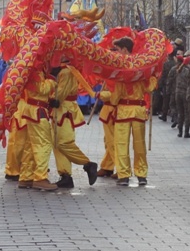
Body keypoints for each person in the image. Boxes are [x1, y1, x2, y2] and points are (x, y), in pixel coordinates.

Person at [98, 37, 157, 186]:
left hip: (123, 111)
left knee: (121, 144)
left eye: (117, 49)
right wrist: (154, 77)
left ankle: (123, 175)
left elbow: (115, 97)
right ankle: (141, 174)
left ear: (124, 49)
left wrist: (104, 96)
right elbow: (148, 88)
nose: (116, 52)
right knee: (139, 144)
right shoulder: (141, 65)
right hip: (138, 111)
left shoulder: (121, 68)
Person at [50, 60, 98, 188]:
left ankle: (88, 164)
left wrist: (52, 99)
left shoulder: (66, 71)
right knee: (56, 143)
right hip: (60, 110)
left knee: (63, 142)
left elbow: (60, 93)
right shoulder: (64, 70)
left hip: (64, 110)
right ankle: (65, 175)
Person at [13, 69, 57, 191]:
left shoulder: (35, 69)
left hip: (34, 110)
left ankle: (26, 177)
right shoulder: (36, 71)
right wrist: (52, 80)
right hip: (37, 110)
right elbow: (42, 89)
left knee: (30, 146)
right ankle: (40, 177)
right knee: (44, 144)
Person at [175, 56, 190, 138]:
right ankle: (186, 132)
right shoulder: (188, 71)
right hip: (185, 93)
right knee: (187, 113)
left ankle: (180, 131)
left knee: (180, 113)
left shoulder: (178, 69)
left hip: (177, 93)